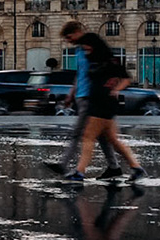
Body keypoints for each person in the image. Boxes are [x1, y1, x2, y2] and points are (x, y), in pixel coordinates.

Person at [65, 32, 145, 186]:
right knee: (113, 140)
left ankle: (80, 172)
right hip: (98, 102)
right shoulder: (92, 59)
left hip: (103, 103)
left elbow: (126, 78)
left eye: (87, 46)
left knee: (88, 137)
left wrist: (116, 89)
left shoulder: (109, 60)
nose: (85, 49)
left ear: (94, 45)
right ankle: (137, 168)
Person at [45, 21, 119, 178]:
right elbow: (80, 74)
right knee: (101, 135)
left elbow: (106, 68)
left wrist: (109, 88)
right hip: (82, 95)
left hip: (90, 96)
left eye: (69, 37)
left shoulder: (91, 46)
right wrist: (71, 94)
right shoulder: (79, 50)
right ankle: (114, 167)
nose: (68, 40)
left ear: (77, 31)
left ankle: (64, 165)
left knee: (78, 133)